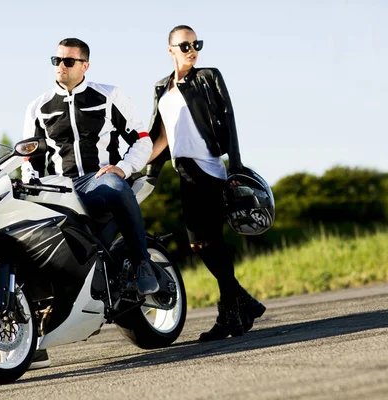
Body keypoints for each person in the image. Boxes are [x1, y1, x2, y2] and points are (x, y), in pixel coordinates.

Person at [22, 37, 158, 368]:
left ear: (85, 65)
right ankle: (33, 333)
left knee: (113, 183)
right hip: (58, 188)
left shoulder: (110, 96)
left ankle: (142, 262)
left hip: (99, 179)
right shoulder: (38, 107)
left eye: (68, 61)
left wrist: (123, 167)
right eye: (56, 60)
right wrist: (31, 184)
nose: (60, 66)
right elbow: (28, 160)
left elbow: (142, 140)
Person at [147, 25, 266, 342]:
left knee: (210, 241)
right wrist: (131, 164)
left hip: (208, 169)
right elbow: (159, 137)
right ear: (170, 49)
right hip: (183, 172)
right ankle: (244, 303)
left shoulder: (208, 76)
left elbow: (229, 117)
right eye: (184, 45)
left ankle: (231, 316)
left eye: (195, 44)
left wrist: (236, 164)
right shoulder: (161, 88)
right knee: (198, 244)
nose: (191, 50)